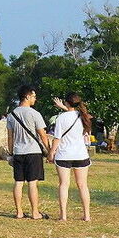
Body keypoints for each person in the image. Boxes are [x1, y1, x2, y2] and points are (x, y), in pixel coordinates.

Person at [7, 85, 50, 220]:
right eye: (34, 96)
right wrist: (49, 151)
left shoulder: (11, 115)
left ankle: (19, 212)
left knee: (18, 182)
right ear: (27, 96)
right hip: (33, 152)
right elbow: (42, 135)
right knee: (32, 182)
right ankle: (35, 212)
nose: (35, 99)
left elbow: (10, 137)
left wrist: (11, 153)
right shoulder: (34, 114)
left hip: (18, 152)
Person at [48, 93, 92, 222]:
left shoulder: (61, 118)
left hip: (64, 155)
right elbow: (74, 114)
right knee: (83, 185)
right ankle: (87, 215)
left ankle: (63, 215)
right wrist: (65, 107)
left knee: (64, 184)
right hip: (81, 154)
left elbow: (57, 138)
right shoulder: (84, 117)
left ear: (67, 103)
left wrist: (51, 152)